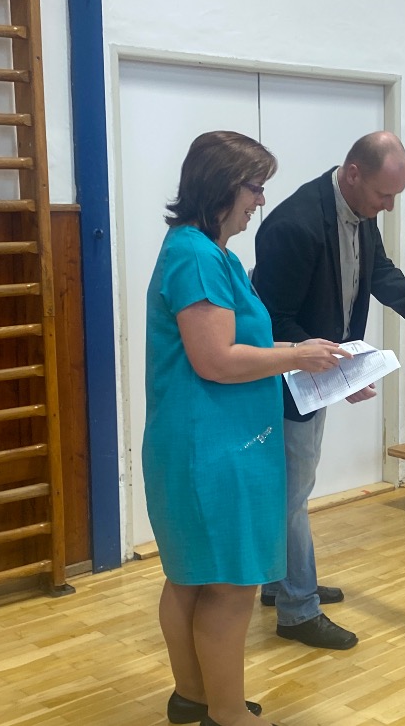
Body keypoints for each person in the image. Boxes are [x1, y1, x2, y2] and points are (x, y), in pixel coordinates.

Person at [144, 131, 346, 726]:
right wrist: (296, 356)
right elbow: (217, 360)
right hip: (212, 448)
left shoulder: (212, 253)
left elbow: (242, 345)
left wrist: (315, 360)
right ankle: (227, 715)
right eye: (255, 187)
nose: (261, 200)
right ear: (222, 187)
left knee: (191, 580)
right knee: (228, 587)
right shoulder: (197, 256)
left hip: (207, 442)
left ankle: (195, 698)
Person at [252, 131, 405, 650]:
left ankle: (280, 582)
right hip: (283, 380)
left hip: (317, 369)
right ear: (352, 173)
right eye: (383, 196)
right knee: (292, 494)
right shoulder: (294, 225)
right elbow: (272, 321)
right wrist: (334, 368)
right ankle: (298, 608)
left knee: (293, 488)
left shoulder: (361, 212)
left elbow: (379, 271)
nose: (388, 207)